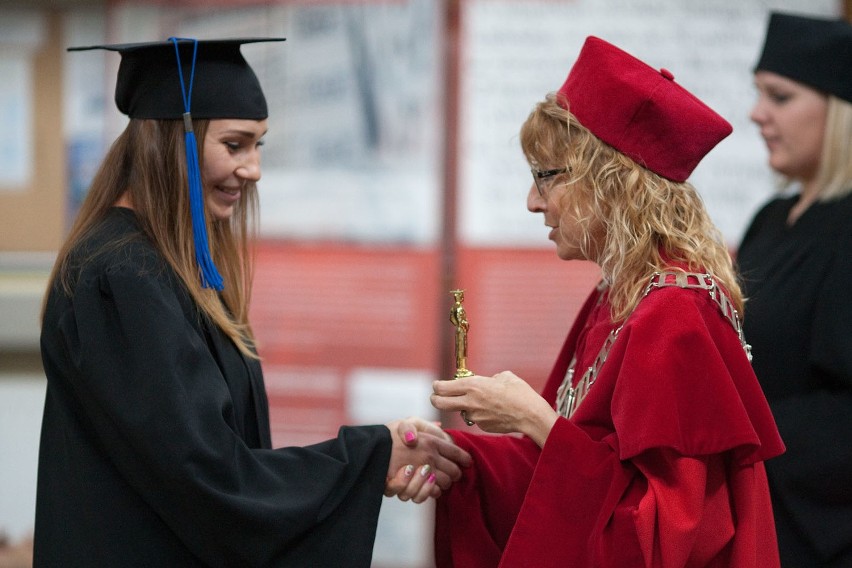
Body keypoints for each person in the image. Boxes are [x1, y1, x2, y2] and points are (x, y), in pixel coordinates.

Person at [34, 38, 469, 567]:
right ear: (175, 143)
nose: (254, 168)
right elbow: (210, 477)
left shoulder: (163, 265)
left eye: (259, 145)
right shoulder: (122, 276)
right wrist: (370, 456)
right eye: (235, 145)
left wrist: (376, 453)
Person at [418, 36, 786, 567]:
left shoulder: (673, 315)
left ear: (612, 181)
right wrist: (458, 456)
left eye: (546, 177)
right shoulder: (619, 292)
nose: (532, 202)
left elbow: (666, 537)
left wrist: (534, 419)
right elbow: (574, 467)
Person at [738, 12, 852, 567]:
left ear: (838, 113)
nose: (758, 114)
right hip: (751, 509)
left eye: (779, 97)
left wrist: (734, 437)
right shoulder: (771, 219)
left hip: (815, 532)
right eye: (758, 94)